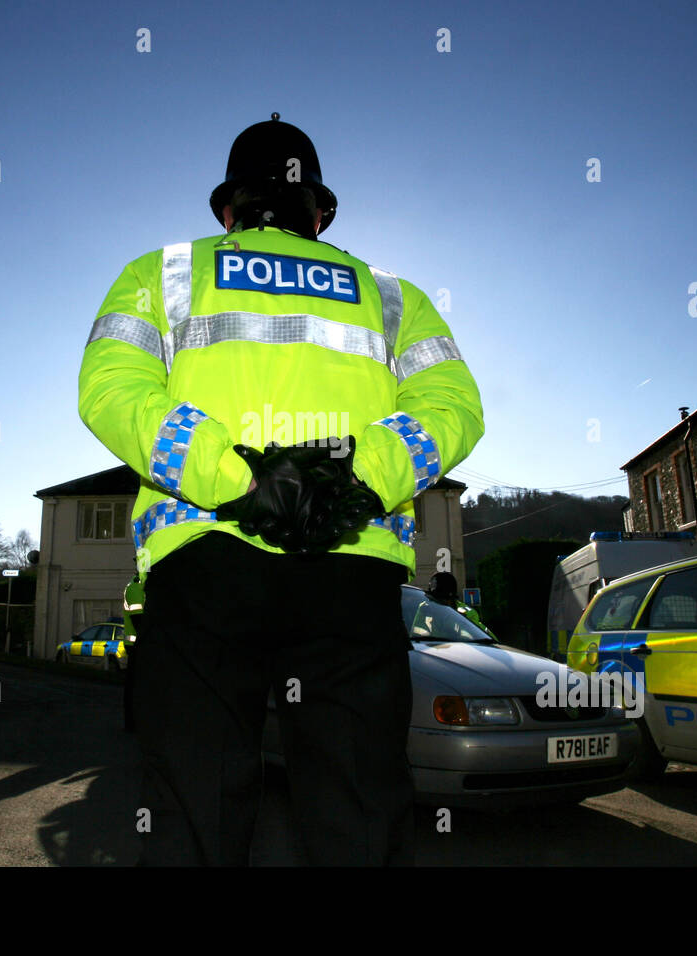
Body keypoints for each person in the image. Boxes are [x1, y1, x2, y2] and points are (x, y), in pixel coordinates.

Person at [78, 113, 484, 865]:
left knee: (192, 818)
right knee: (360, 812)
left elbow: (110, 392)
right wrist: (354, 483)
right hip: (349, 573)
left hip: (204, 569)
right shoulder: (391, 295)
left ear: (228, 208)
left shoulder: (163, 271)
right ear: (319, 212)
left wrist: (241, 485)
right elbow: (455, 409)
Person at [425, 571, 494, 635]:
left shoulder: (467, 614)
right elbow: (418, 631)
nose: (432, 602)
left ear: (451, 599)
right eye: (432, 599)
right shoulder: (424, 608)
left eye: (439, 599)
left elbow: (484, 637)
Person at [121, 569, 144, 733]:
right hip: (137, 646)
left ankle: (133, 721)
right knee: (136, 685)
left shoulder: (138, 587)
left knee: (136, 685)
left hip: (138, 645)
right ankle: (133, 722)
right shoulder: (136, 588)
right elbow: (139, 620)